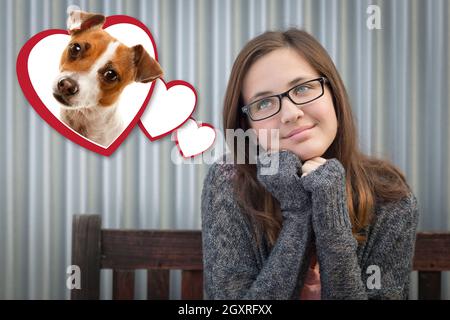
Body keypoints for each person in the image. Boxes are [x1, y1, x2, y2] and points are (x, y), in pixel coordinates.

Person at [201, 28, 419, 300]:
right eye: (264, 103)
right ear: (248, 126)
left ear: (333, 93)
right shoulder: (228, 182)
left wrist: (330, 213)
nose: (291, 114)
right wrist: (298, 211)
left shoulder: (390, 196)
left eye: (303, 88)